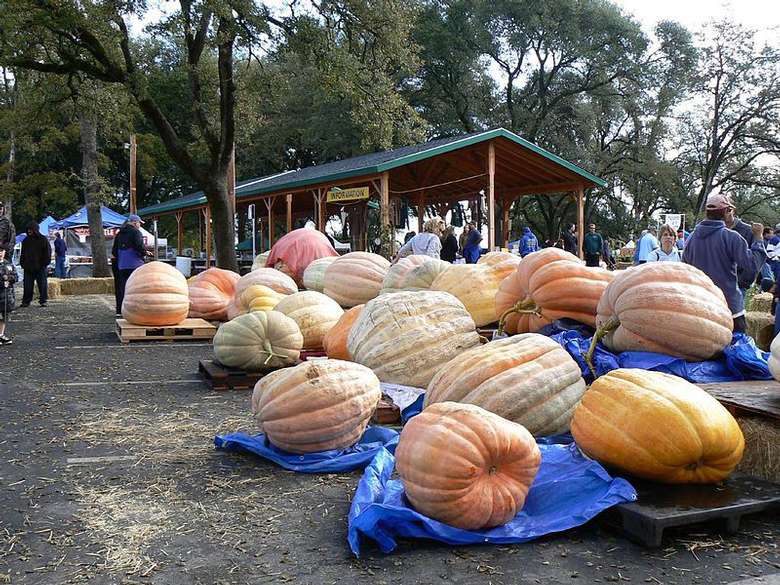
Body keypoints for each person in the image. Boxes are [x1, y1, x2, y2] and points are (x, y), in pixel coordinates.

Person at [683, 192, 765, 333]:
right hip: (729, 308)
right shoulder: (731, 237)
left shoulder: (691, 238)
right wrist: (758, 238)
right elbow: (752, 265)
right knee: (734, 349)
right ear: (727, 211)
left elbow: (684, 270)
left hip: (701, 306)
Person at [112, 214, 147, 316]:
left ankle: (121, 310)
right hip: (135, 266)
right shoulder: (136, 232)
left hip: (122, 266)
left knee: (122, 288)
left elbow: (114, 251)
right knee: (136, 289)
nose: (140, 225)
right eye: (139, 223)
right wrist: (145, 252)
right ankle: (135, 311)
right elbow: (139, 246)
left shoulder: (119, 234)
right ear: (135, 222)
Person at [19, 222, 51, 307]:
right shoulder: (26, 241)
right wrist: (22, 264)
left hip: (40, 267)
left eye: (31, 229)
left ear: (35, 230)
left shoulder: (43, 239)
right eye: (28, 229)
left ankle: (43, 300)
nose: (29, 231)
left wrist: (44, 264)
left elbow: (47, 253)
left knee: (42, 285)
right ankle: (26, 301)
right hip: (28, 267)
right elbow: (22, 253)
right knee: (27, 286)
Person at [0, 247, 16, 344]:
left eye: (1, 251)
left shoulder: (8, 264)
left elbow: (16, 277)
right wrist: (2, 282)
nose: (0, 253)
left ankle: (1, 335)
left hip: (7, 296)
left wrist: (9, 278)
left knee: (4, 316)